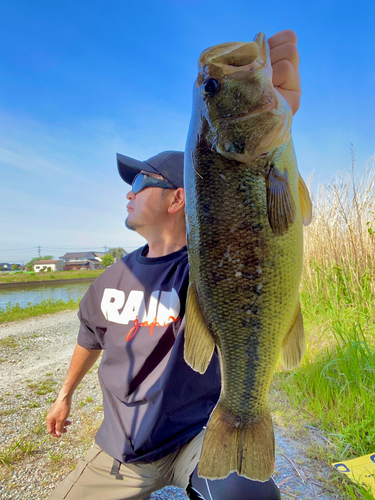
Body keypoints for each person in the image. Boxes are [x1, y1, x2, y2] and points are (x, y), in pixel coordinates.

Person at [46, 29, 302, 500]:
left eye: (141, 180)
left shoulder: (202, 269)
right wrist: (63, 395)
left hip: (196, 437)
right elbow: (89, 338)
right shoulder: (109, 278)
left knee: (250, 495)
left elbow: (270, 235)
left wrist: (274, 122)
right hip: (120, 455)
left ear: (179, 197)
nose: (128, 190)